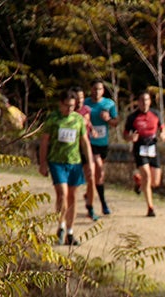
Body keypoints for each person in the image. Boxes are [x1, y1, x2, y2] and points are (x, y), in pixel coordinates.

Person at [38, 88, 94, 246]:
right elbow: (44, 142)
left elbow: (84, 142)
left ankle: (70, 231)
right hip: (57, 161)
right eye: (66, 105)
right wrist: (42, 163)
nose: (69, 109)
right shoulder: (53, 119)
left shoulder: (78, 119)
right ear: (60, 104)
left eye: (72, 105)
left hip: (74, 163)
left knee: (72, 197)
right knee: (62, 193)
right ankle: (61, 226)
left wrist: (89, 164)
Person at [123, 91, 165, 217]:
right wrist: (131, 137)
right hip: (140, 148)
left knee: (155, 182)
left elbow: (163, 127)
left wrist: (163, 134)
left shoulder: (156, 114)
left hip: (153, 148)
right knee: (147, 175)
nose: (144, 103)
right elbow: (125, 135)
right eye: (142, 100)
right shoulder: (132, 117)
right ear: (138, 102)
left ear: (150, 101)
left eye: (146, 100)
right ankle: (150, 208)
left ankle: (139, 182)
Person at [84, 79, 119, 216]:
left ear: (103, 90)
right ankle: (101, 204)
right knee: (96, 168)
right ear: (91, 90)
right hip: (88, 142)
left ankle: (90, 194)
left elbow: (116, 122)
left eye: (99, 89)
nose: (97, 91)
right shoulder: (85, 103)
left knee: (99, 175)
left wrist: (108, 119)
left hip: (102, 143)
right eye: (94, 89)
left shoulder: (109, 103)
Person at [71, 87, 99, 221]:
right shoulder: (68, 112)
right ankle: (70, 209)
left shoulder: (86, 110)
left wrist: (92, 130)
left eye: (82, 97)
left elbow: (88, 123)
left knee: (91, 178)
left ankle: (90, 207)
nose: (80, 100)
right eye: (77, 98)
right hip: (72, 150)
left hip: (85, 147)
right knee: (74, 184)